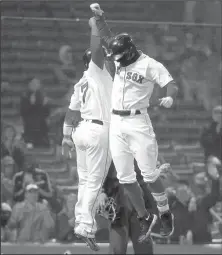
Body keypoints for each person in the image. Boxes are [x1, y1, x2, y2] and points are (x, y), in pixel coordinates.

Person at [91, 3, 177, 242]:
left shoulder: (150, 64)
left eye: (119, 56)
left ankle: (164, 213)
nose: (115, 59)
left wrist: (170, 96)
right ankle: (143, 216)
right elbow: (109, 39)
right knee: (125, 178)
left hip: (139, 122)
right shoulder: (120, 54)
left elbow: (171, 82)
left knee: (149, 175)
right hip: (116, 122)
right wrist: (99, 18)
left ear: (129, 51)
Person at [61, 15, 114, 251]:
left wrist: (65, 138)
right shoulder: (97, 71)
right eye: (102, 56)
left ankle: (81, 222)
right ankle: (85, 226)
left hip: (81, 131)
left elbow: (71, 113)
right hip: (97, 132)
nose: (105, 57)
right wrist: (94, 27)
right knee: (93, 181)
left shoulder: (81, 82)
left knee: (84, 181)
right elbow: (96, 49)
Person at [97, 161, 171, 254]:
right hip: (118, 203)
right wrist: (101, 192)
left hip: (141, 203)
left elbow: (155, 173)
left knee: (144, 249)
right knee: (117, 248)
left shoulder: (143, 150)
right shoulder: (110, 152)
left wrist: (158, 171)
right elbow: (99, 173)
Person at [20, 77, 50, 149]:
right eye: (34, 83)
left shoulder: (42, 95)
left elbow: (47, 112)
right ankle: (30, 142)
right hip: (29, 122)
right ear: (29, 85)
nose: (36, 85)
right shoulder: (25, 95)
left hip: (41, 123)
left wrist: (45, 105)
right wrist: (31, 104)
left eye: (37, 83)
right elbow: (23, 111)